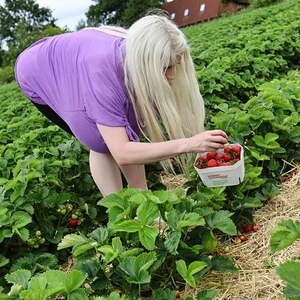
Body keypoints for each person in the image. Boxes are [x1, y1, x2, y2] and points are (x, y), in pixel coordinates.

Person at [15, 13, 228, 197]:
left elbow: (132, 131)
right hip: (39, 72)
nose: (172, 75)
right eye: (165, 68)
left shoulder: (141, 50)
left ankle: (142, 201)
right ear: (147, 62)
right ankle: (119, 209)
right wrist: (189, 144)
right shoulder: (101, 72)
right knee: (100, 141)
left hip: (80, 55)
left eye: (176, 66)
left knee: (126, 126)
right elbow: (123, 151)